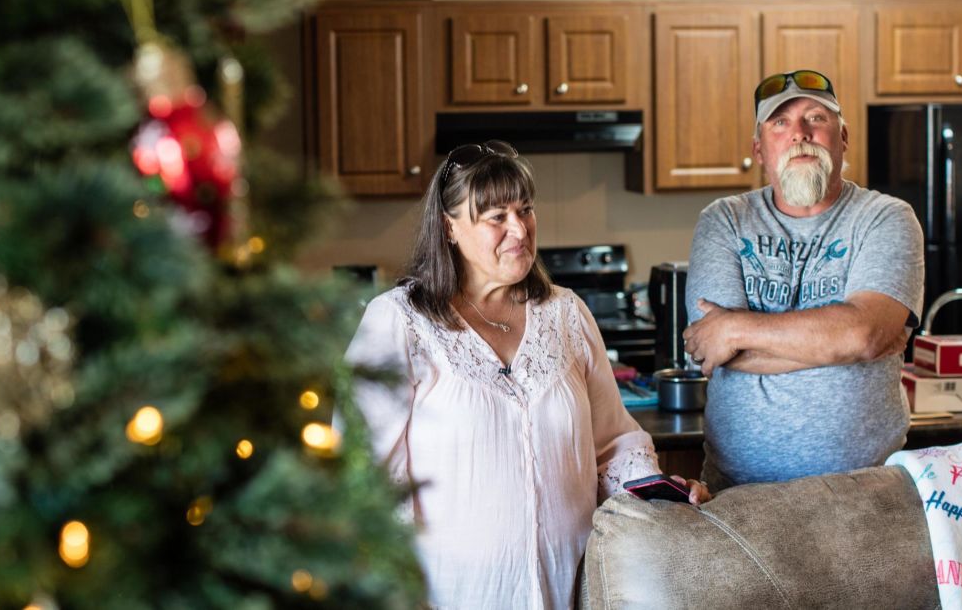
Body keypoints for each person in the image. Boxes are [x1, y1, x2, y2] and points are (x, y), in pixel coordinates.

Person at [346, 141, 709, 609]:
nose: (519, 228)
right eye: (496, 216)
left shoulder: (567, 314)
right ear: (448, 226)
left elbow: (614, 443)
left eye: (526, 209)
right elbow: (364, 472)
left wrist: (660, 493)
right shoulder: (400, 321)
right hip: (451, 593)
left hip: (572, 586)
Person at [682, 69, 925, 492]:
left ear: (843, 137)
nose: (799, 134)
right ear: (759, 149)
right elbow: (713, 349)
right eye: (780, 122)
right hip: (739, 495)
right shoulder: (724, 220)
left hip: (868, 496)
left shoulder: (886, 217)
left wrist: (735, 328)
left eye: (816, 117)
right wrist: (846, 342)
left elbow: (864, 333)